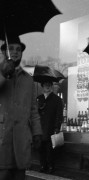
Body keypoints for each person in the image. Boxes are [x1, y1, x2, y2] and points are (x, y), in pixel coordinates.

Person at [0, 36, 42, 180]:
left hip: (22, 140)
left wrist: (37, 132)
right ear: (4, 51)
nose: (15, 52)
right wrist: (3, 73)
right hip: (2, 140)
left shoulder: (28, 79)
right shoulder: (1, 73)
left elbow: (33, 109)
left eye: (18, 49)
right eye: (11, 48)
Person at [37, 80, 64, 173]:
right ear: (42, 86)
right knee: (41, 148)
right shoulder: (39, 98)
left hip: (51, 128)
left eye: (49, 85)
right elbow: (35, 113)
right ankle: (42, 165)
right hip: (40, 128)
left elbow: (59, 115)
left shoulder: (57, 99)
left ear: (52, 86)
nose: (47, 87)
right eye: (45, 85)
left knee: (50, 149)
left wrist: (57, 127)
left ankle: (51, 166)